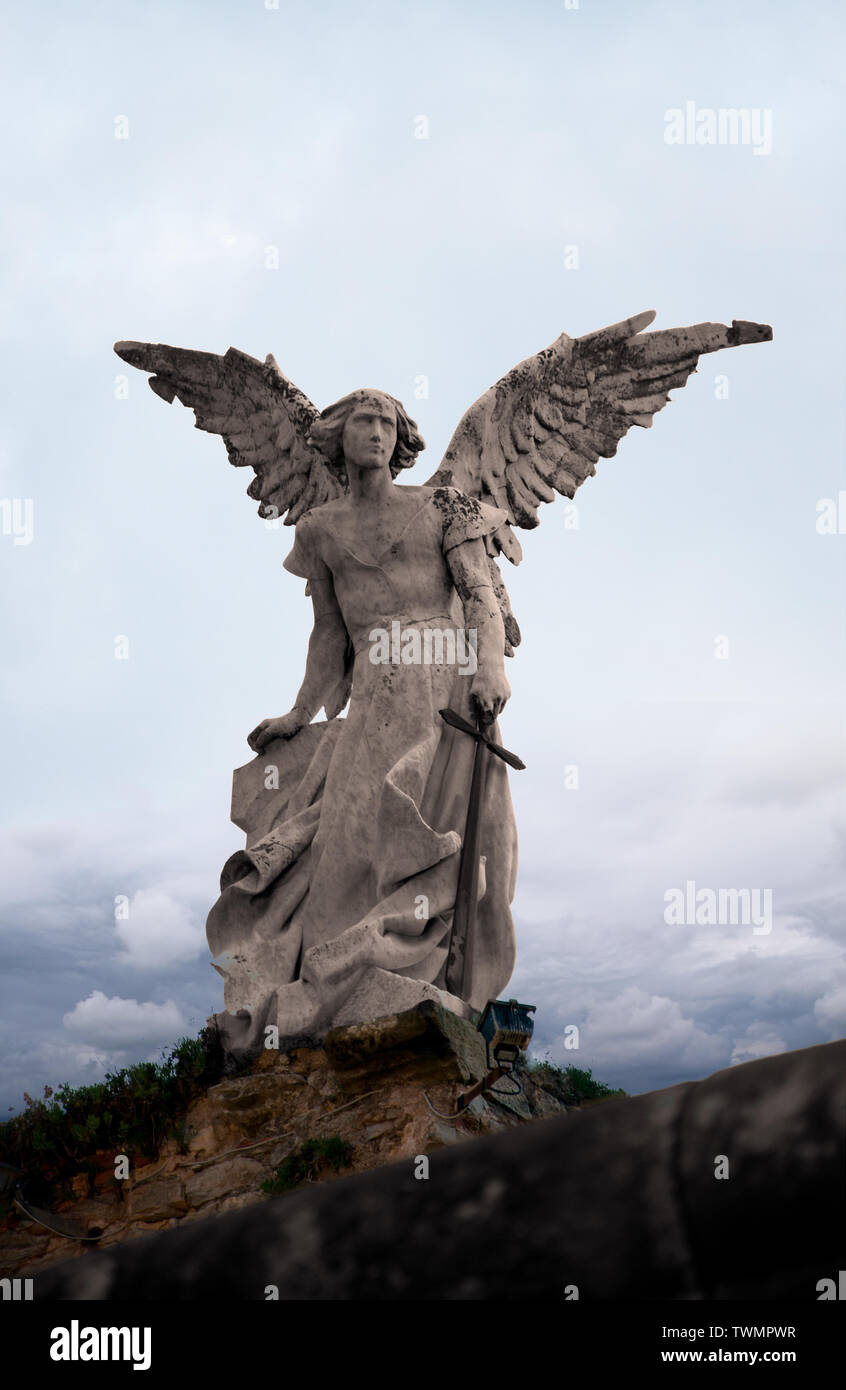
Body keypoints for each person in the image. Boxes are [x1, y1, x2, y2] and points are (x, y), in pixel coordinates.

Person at [205, 389, 517, 1052]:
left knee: (428, 827)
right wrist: (300, 711)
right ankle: (334, 981)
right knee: (343, 844)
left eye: (388, 422)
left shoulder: (442, 505)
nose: (378, 432)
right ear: (339, 436)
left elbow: (480, 595)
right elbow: (326, 633)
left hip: (444, 684)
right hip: (375, 689)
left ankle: (425, 969)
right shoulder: (320, 529)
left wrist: (491, 668)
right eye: (365, 421)